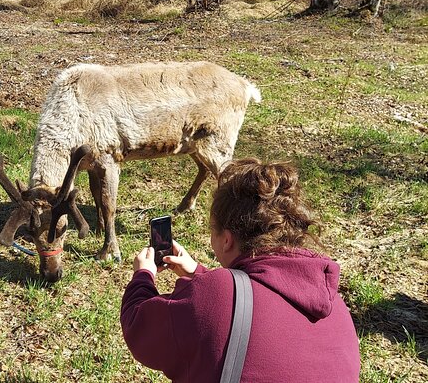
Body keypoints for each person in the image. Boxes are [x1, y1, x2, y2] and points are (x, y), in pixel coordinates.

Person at [120, 158, 360, 382]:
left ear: (227, 239)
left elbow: (140, 330)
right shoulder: (332, 301)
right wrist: (200, 274)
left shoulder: (214, 296)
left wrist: (143, 276)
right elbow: (261, 301)